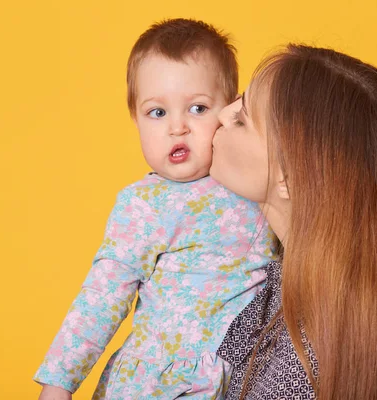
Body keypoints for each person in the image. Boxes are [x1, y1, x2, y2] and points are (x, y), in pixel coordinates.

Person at [34, 19, 276, 400]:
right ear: (135, 120)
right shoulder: (145, 204)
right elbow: (104, 294)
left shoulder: (252, 179)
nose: (177, 127)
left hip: (243, 376)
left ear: (229, 112)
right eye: (157, 113)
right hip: (161, 383)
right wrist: (59, 383)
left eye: (198, 108)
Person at [211, 44, 377, 399]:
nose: (221, 115)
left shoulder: (295, 373)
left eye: (242, 118)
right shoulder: (350, 316)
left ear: (290, 177)